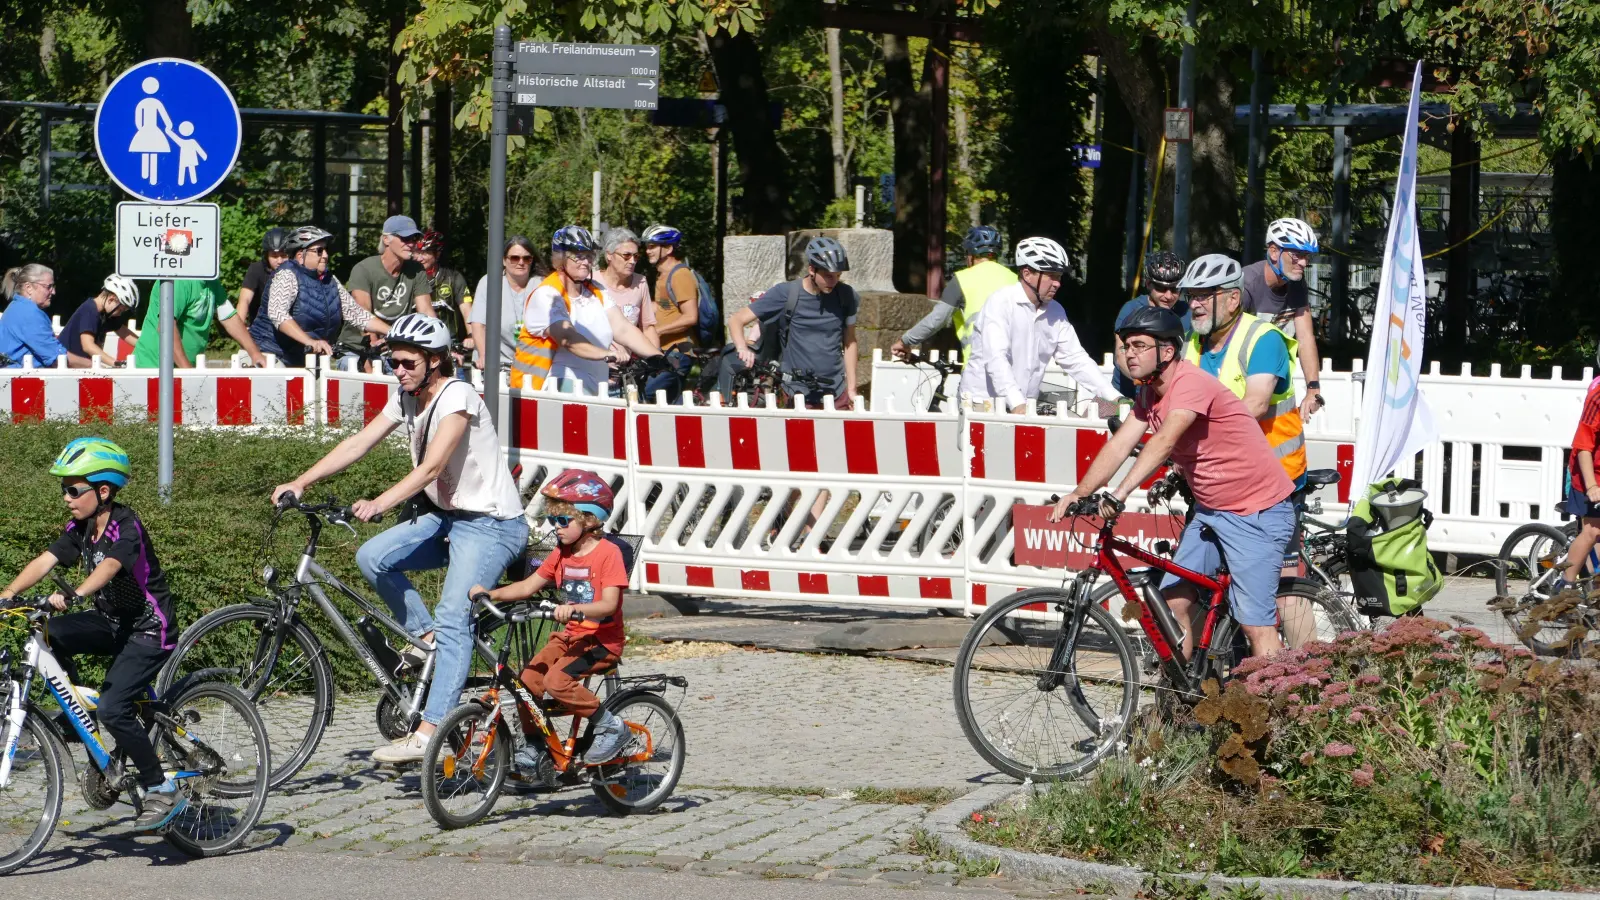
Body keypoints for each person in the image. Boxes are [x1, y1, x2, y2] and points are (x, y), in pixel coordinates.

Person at [270, 314, 529, 765]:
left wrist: (381, 503)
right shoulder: (406, 397)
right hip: (446, 518)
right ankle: (426, 637)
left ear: (434, 360)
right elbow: (360, 443)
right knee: (373, 557)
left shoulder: (458, 396)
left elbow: (431, 467)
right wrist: (302, 480)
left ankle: (429, 730)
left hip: (491, 524)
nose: (399, 370)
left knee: (454, 616)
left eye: (408, 362)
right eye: (393, 362)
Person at [1051, 306, 1297, 659]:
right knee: (1172, 601)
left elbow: (1164, 439)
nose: (1129, 353)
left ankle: (1279, 709)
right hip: (1212, 512)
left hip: (1255, 513)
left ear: (1167, 352)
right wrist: (1080, 492)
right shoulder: (1149, 393)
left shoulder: (1190, 383)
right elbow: (1120, 444)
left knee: (1256, 626)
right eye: (1126, 345)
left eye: (1139, 345)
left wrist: (1119, 494)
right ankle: (1184, 697)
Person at [0, 438, 187, 830]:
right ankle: (76, 716)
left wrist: (75, 593)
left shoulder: (126, 526)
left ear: (102, 491)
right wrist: (8, 594)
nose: (66, 497)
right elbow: (46, 560)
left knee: (113, 708)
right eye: (63, 489)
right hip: (113, 621)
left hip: (150, 628)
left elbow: (111, 568)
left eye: (73, 489)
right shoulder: (81, 528)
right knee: (48, 631)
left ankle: (162, 788)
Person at [471, 469, 634, 767]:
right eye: (551, 520)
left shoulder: (608, 554)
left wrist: (575, 610)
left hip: (601, 640)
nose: (555, 527)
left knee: (556, 681)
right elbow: (529, 585)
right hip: (570, 636)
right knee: (527, 681)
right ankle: (535, 746)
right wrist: (491, 594)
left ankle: (612, 727)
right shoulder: (561, 553)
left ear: (589, 520)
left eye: (563, 520)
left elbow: (610, 604)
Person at [957, 237, 1121, 413]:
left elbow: (1076, 359)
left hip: (1024, 405)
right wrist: (1017, 403)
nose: (1057, 283)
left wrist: (1113, 397)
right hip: (983, 403)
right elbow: (996, 358)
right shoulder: (1001, 303)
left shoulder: (1056, 311)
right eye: (1051, 276)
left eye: (1059, 277)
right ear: (1027, 274)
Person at [513, 225, 659, 394]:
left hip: (597, 386)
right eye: (578, 256)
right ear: (561, 259)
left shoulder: (596, 290)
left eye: (589, 256)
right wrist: (607, 354)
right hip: (555, 385)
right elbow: (568, 338)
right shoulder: (548, 294)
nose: (585, 262)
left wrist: (657, 357)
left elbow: (623, 328)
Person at [727, 236, 861, 407]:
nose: (834, 282)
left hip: (836, 391)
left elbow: (850, 342)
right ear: (812, 269)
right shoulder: (785, 293)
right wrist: (742, 348)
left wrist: (851, 388)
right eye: (828, 276)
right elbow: (736, 320)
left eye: (838, 275)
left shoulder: (846, 295)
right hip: (797, 391)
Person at [250, 226, 390, 368]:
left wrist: (392, 332)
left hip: (303, 358)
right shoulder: (287, 274)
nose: (325, 255)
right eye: (319, 251)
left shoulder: (329, 280)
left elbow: (356, 314)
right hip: (269, 353)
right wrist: (310, 341)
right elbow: (278, 314)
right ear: (300, 255)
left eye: (325, 250)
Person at [1240, 218, 1324, 420]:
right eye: (1297, 255)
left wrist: (1313, 388)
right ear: (1274, 251)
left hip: (1277, 394)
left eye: (1307, 256)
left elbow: (1305, 338)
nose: (1303, 263)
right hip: (1243, 395)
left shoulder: (1296, 283)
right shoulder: (1246, 284)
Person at [891, 225, 1017, 359]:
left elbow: (937, 319)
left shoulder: (962, 279)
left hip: (978, 362)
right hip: (1011, 362)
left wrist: (905, 341)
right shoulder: (1014, 279)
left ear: (970, 254)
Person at [342, 215, 434, 369]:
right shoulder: (363, 269)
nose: (411, 244)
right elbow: (363, 316)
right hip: (356, 349)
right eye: (405, 238)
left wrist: (436, 342)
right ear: (386, 240)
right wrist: (372, 356)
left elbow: (426, 311)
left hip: (396, 347)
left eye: (414, 238)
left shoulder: (416, 270)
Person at [132, 277, 268, 369]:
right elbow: (166, 327)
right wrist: (188, 373)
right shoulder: (179, 280)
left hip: (182, 368)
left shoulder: (211, 281)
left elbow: (228, 316)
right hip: (153, 368)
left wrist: (254, 353)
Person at [1111, 250, 1190, 398]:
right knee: (1086, 418)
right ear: (1148, 284)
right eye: (1161, 288)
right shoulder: (1131, 309)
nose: (1168, 295)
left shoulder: (1187, 313)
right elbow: (1120, 354)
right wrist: (1146, 381)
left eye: (1174, 289)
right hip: (1124, 392)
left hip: (1168, 395)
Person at [1555, 354, 1600, 596]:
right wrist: (1592, 486)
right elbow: (1583, 446)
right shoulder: (1599, 394)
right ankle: (1566, 587)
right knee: (1593, 530)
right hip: (1588, 474)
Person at [470, 236, 545, 371]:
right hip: (495, 366)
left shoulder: (541, 285)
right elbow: (478, 325)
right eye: (515, 258)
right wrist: (484, 356)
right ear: (504, 260)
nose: (521, 262)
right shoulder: (489, 282)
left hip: (531, 366)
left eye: (526, 258)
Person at [596, 227, 659, 357]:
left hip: (627, 369)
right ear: (609, 255)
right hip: (595, 366)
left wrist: (657, 360)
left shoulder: (640, 282)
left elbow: (648, 328)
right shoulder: (591, 282)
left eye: (636, 256)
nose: (632, 261)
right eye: (626, 255)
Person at [642, 224, 702, 350]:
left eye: (652, 246)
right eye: (647, 247)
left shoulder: (680, 275)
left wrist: (658, 331)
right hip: (663, 348)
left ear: (669, 248)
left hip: (679, 351)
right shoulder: (663, 275)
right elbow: (663, 306)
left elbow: (690, 317)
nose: (647, 251)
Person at [62, 275, 142, 367]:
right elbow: (88, 346)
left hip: (80, 368)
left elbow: (125, 333)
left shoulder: (105, 314)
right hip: (66, 367)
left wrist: (147, 347)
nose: (120, 314)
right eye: (120, 310)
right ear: (111, 299)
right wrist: (117, 364)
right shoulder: (90, 310)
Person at [413, 231, 473, 352]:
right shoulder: (409, 278)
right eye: (416, 252)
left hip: (450, 344)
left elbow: (467, 311)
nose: (419, 258)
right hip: (415, 343)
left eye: (425, 253)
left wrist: (471, 336)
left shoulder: (453, 278)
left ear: (437, 253)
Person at [0, 263, 67, 368]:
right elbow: (58, 358)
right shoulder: (29, 314)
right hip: (22, 381)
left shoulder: (17, 307)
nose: (53, 292)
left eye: (53, 286)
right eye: (48, 287)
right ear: (29, 288)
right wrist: (93, 365)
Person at [238, 227, 293, 326]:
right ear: (266, 256)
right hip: (260, 330)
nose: (279, 261)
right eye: (274, 256)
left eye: (284, 255)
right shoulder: (256, 269)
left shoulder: (297, 271)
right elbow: (244, 300)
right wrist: (239, 328)